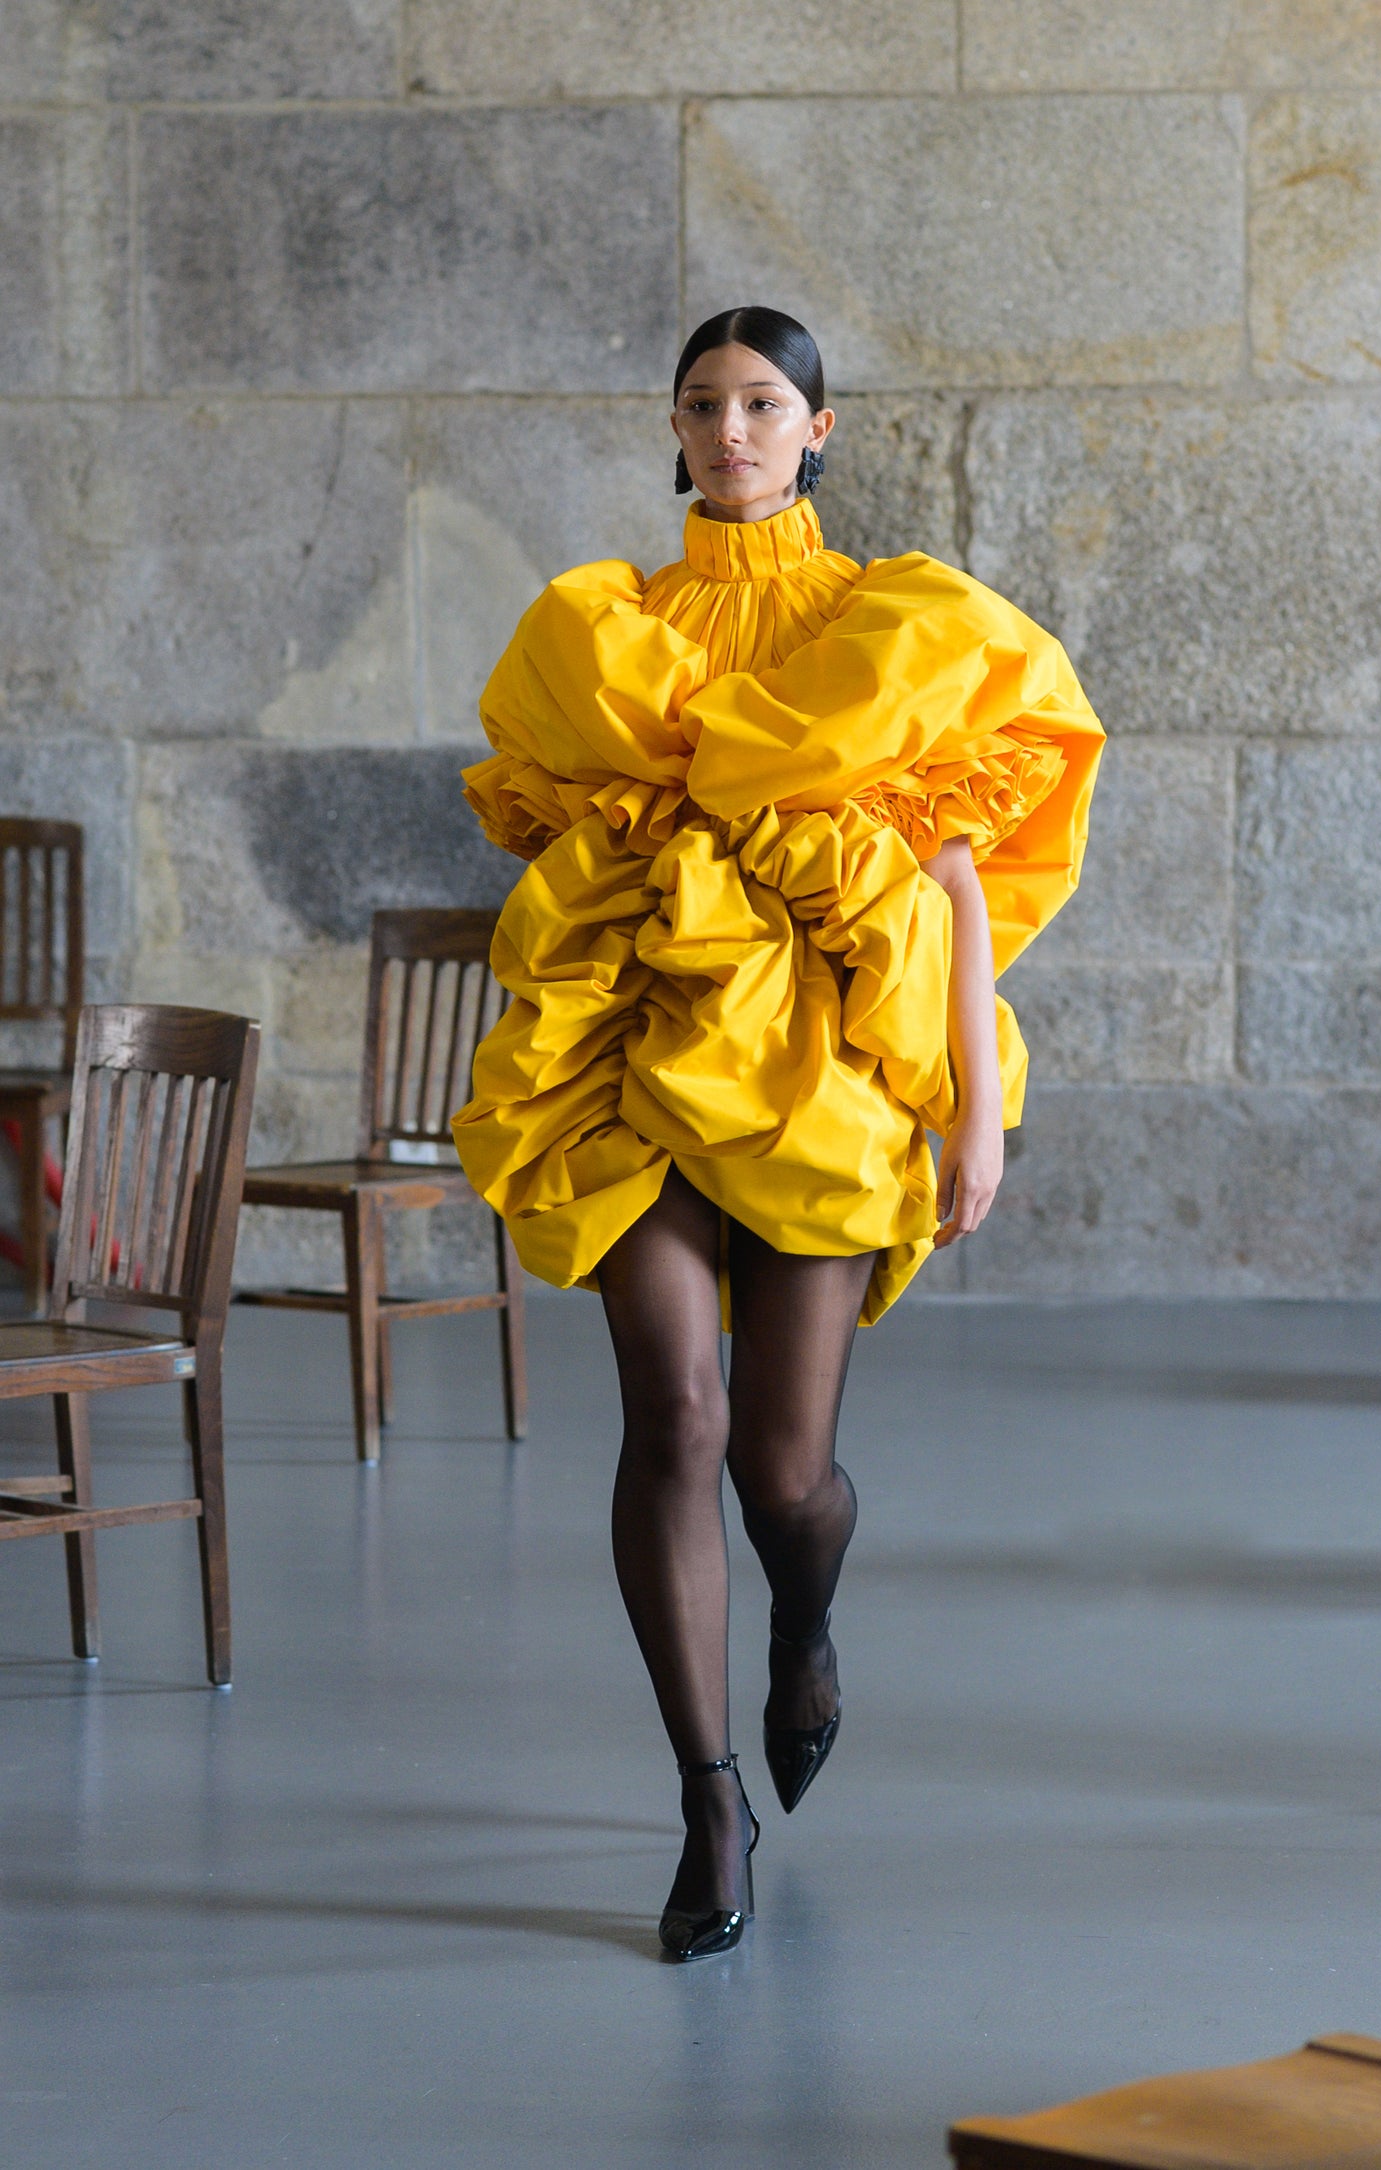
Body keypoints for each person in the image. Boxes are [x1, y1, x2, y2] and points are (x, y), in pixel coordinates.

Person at [453, 306, 1104, 1961]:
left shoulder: (892, 621)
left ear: (817, 427)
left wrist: (975, 1111)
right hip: (639, 1072)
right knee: (670, 1414)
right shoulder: (604, 635)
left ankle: (804, 1628)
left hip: (824, 1084)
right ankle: (705, 1796)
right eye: (701, 404)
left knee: (780, 1467)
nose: (729, 429)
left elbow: (951, 882)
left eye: (760, 403)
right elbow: (553, 844)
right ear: (670, 432)